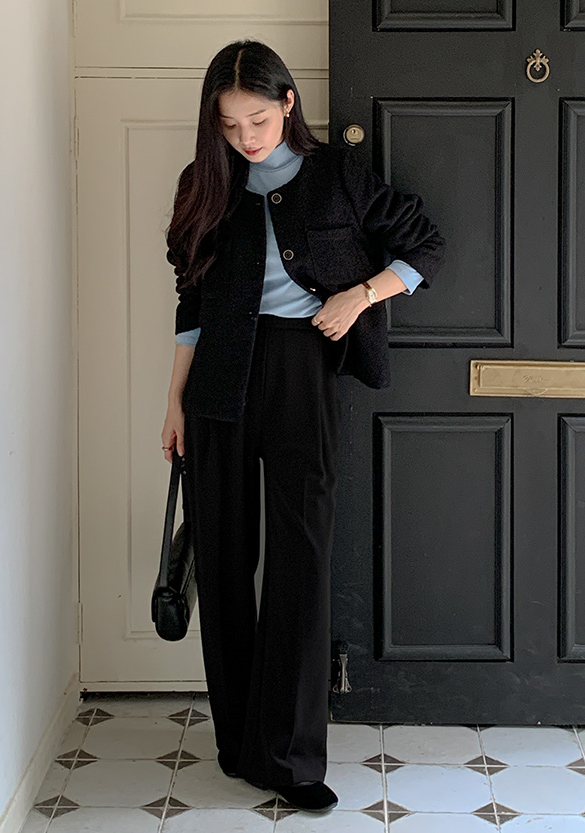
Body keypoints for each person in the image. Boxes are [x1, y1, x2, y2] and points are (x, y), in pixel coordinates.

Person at [161, 39, 445, 813]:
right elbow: (191, 297)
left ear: (288, 102)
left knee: (301, 556)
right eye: (229, 125)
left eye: (257, 118)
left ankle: (289, 755)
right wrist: (174, 400)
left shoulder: (339, 175)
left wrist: (361, 295)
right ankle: (238, 741)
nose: (246, 137)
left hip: (303, 367)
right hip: (219, 377)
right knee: (224, 557)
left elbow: (424, 243)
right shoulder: (204, 183)